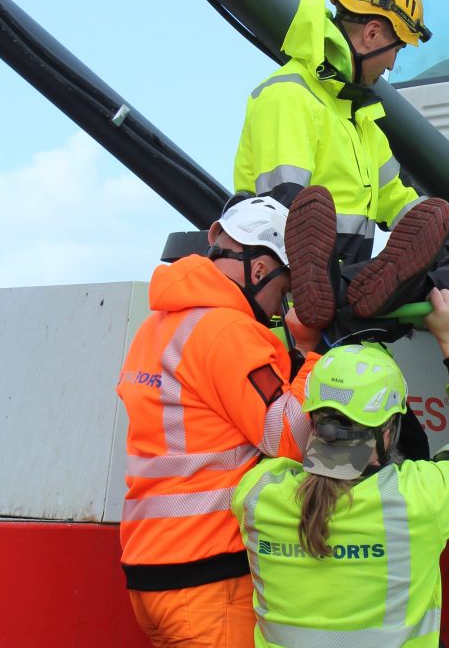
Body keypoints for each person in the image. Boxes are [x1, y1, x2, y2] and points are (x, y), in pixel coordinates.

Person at [231, 288, 449, 647]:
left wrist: (305, 347)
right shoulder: (417, 500)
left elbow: (287, 438)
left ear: (314, 418)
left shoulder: (258, 494)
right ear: (390, 432)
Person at [117, 196, 318, 648]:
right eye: (281, 290)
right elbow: (288, 436)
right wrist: (311, 353)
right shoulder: (228, 329)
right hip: (207, 577)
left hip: (152, 569)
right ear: (260, 270)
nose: (276, 309)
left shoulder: (160, 324)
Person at [233, 0, 433, 288]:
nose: (393, 64)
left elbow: (399, 201)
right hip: (291, 306)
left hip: (339, 298)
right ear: (371, 35)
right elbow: (284, 216)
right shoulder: (289, 96)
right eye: (396, 49)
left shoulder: (358, 119)